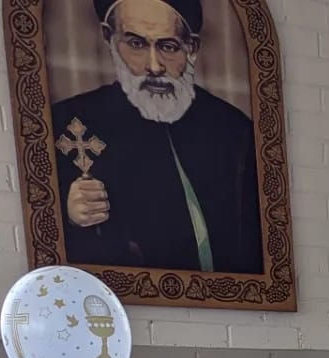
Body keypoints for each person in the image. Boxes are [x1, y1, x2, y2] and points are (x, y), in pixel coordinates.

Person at [52, 0, 263, 273]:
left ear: (192, 48)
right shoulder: (68, 122)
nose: (154, 66)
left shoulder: (233, 129)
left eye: (168, 46)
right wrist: (70, 217)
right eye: (136, 44)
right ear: (109, 39)